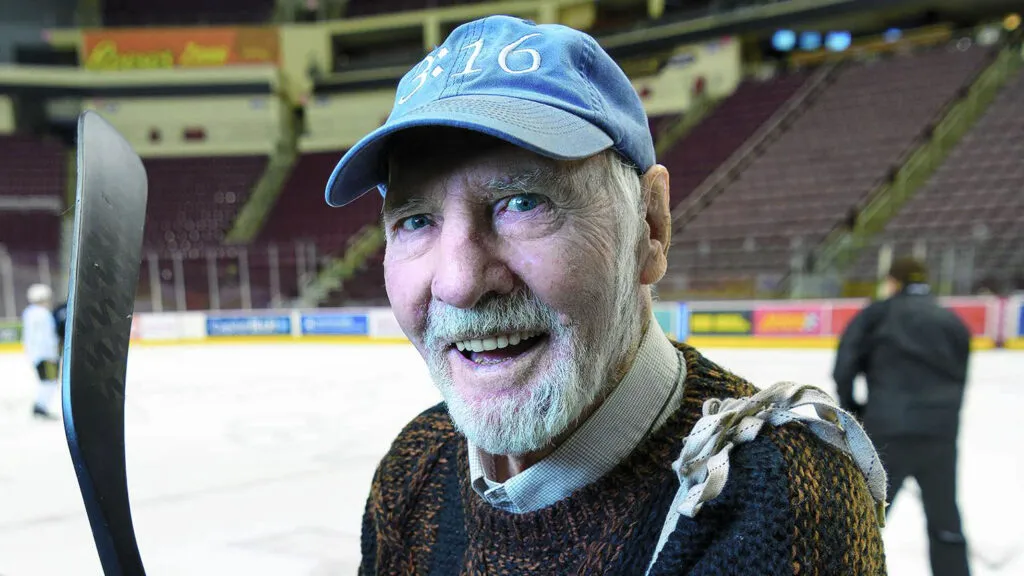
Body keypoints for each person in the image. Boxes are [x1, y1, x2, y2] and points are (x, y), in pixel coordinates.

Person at [327, 16, 887, 574]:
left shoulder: (776, 502)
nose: (458, 281)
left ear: (651, 225)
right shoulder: (414, 466)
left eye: (523, 202)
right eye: (416, 220)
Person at [834, 257, 972, 576]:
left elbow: (844, 368)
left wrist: (856, 414)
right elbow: (960, 377)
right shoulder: (951, 321)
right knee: (945, 522)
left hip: (886, 433)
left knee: (862, 520)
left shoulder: (877, 314)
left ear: (894, 282)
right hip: (939, 434)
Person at [21, 284, 61, 420]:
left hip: (35, 353)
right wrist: (53, 353)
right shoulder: (43, 314)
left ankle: (40, 406)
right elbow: (47, 336)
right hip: (46, 354)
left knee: (46, 380)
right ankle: (40, 407)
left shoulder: (29, 312)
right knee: (49, 381)